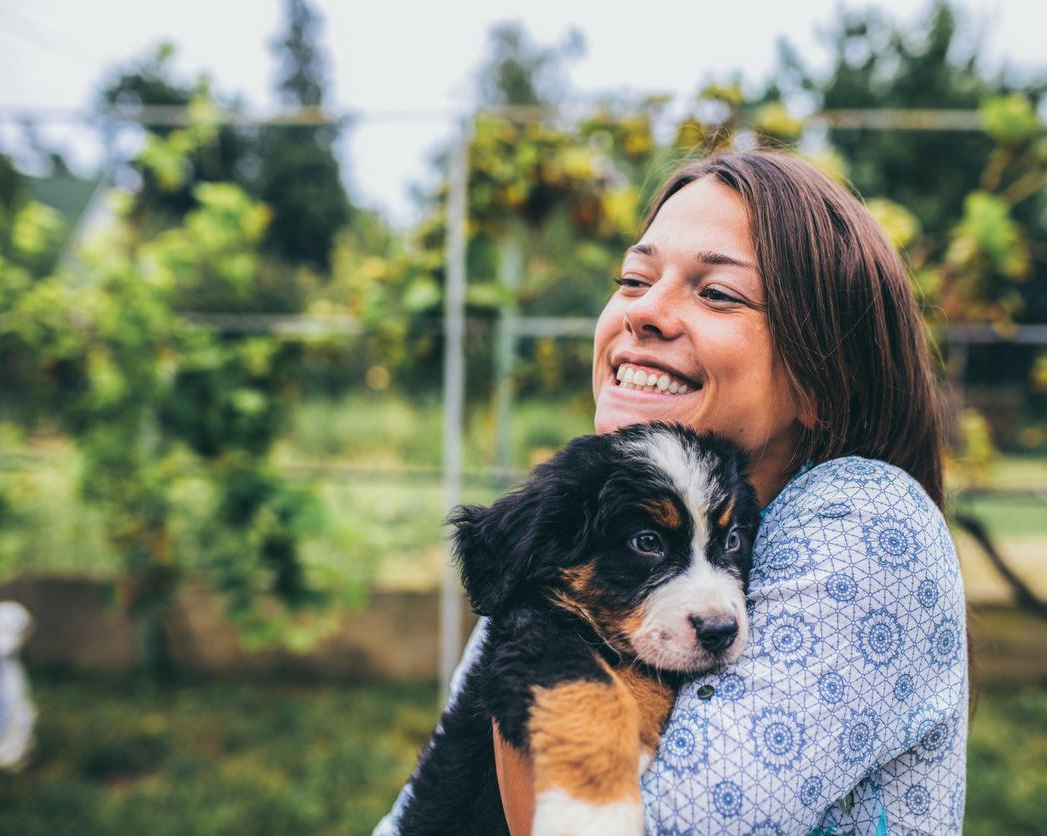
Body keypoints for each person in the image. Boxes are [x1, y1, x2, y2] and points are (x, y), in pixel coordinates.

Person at [377, 149, 968, 835]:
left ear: (821, 382)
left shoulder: (864, 524)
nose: (645, 311)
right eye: (633, 278)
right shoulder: (584, 537)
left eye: (716, 291)